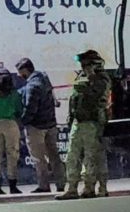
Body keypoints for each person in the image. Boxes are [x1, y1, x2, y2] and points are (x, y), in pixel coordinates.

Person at [56, 49, 112, 200]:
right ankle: (72, 187)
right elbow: (74, 98)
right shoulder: (81, 77)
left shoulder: (101, 78)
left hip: (92, 122)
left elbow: (97, 96)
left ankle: (89, 187)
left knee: (90, 156)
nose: (83, 67)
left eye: (86, 64)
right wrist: (71, 116)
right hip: (78, 121)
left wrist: (91, 76)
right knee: (72, 156)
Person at [16, 57, 65, 193]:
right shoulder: (44, 78)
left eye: (20, 72)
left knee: (39, 158)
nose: (19, 75)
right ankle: (61, 183)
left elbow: (30, 109)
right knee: (55, 156)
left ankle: (44, 185)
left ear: (25, 70)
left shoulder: (32, 86)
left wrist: (22, 123)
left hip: (36, 127)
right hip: (51, 124)